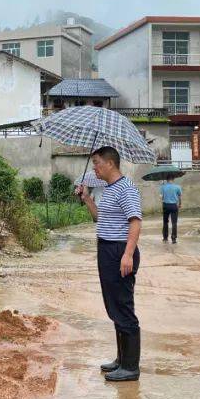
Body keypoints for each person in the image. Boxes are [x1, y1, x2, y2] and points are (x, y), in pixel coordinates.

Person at [77, 146, 143, 381]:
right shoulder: (108, 188)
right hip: (106, 248)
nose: (94, 167)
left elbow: (135, 222)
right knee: (113, 305)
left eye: (96, 162)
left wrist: (127, 254)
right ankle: (121, 359)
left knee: (123, 306)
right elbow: (99, 218)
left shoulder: (126, 188)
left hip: (119, 251)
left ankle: (131, 367)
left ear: (110, 164)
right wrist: (86, 199)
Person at [160, 177, 182, 243]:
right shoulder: (177, 187)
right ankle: (174, 239)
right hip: (174, 205)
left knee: (165, 222)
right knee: (174, 223)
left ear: (167, 180)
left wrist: (163, 187)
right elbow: (180, 196)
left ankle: (165, 237)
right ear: (173, 179)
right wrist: (180, 204)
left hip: (166, 205)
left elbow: (161, 197)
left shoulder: (163, 187)